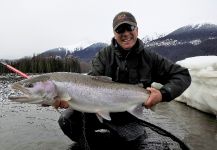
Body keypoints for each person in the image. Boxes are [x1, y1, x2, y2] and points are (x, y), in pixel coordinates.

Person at [55, 11, 191, 149]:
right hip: (97, 113)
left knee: (131, 144)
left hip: (129, 117)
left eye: (130, 28)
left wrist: (162, 94)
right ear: (114, 33)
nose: (125, 33)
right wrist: (70, 100)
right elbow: (90, 85)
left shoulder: (150, 59)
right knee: (67, 121)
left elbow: (183, 75)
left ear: (137, 30)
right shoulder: (104, 56)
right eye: (120, 29)